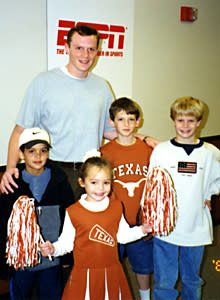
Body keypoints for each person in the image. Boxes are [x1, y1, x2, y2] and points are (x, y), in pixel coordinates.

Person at [0, 24, 158, 199]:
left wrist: (144, 139)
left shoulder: (102, 87)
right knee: (56, 226)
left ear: (97, 51)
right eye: (79, 48)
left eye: (91, 49)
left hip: (91, 173)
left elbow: (111, 131)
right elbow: (20, 131)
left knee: (88, 225)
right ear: (67, 48)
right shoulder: (43, 82)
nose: (85, 55)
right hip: (53, 171)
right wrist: (10, 168)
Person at [40, 155, 152, 300]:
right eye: (94, 182)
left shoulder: (117, 206)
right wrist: (53, 249)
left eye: (106, 182)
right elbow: (66, 244)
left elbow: (122, 236)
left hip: (112, 271)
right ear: (82, 182)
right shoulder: (73, 211)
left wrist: (142, 230)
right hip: (84, 274)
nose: (100, 188)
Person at [148, 96, 220, 300]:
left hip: (196, 226)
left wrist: (209, 193)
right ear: (173, 121)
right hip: (166, 227)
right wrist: (151, 218)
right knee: (164, 280)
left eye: (191, 120)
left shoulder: (210, 153)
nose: (185, 125)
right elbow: (152, 185)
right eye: (180, 120)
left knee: (192, 278)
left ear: (199, 122)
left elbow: (218, 179)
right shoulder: (161, 151)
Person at [0, 127, 74, 300]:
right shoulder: (12, 183)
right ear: (21, 154)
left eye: (43, 151)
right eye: (31, 151)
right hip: (21, 261)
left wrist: (66, 256)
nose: (38, 156)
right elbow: (3, 221)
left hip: (51, 257)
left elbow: (68, 218)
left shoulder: (59, 179)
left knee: (51, 294)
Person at [100, 97, 153, 300]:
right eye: (121, 119)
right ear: (112, 122)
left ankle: (145, 297)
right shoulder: (105, 152)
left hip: (140, 222)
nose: (126, 124)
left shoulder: (148, 151)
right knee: (112, 265)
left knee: (143, 266)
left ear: (138, 121)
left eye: (131, 119)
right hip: (114, 223)